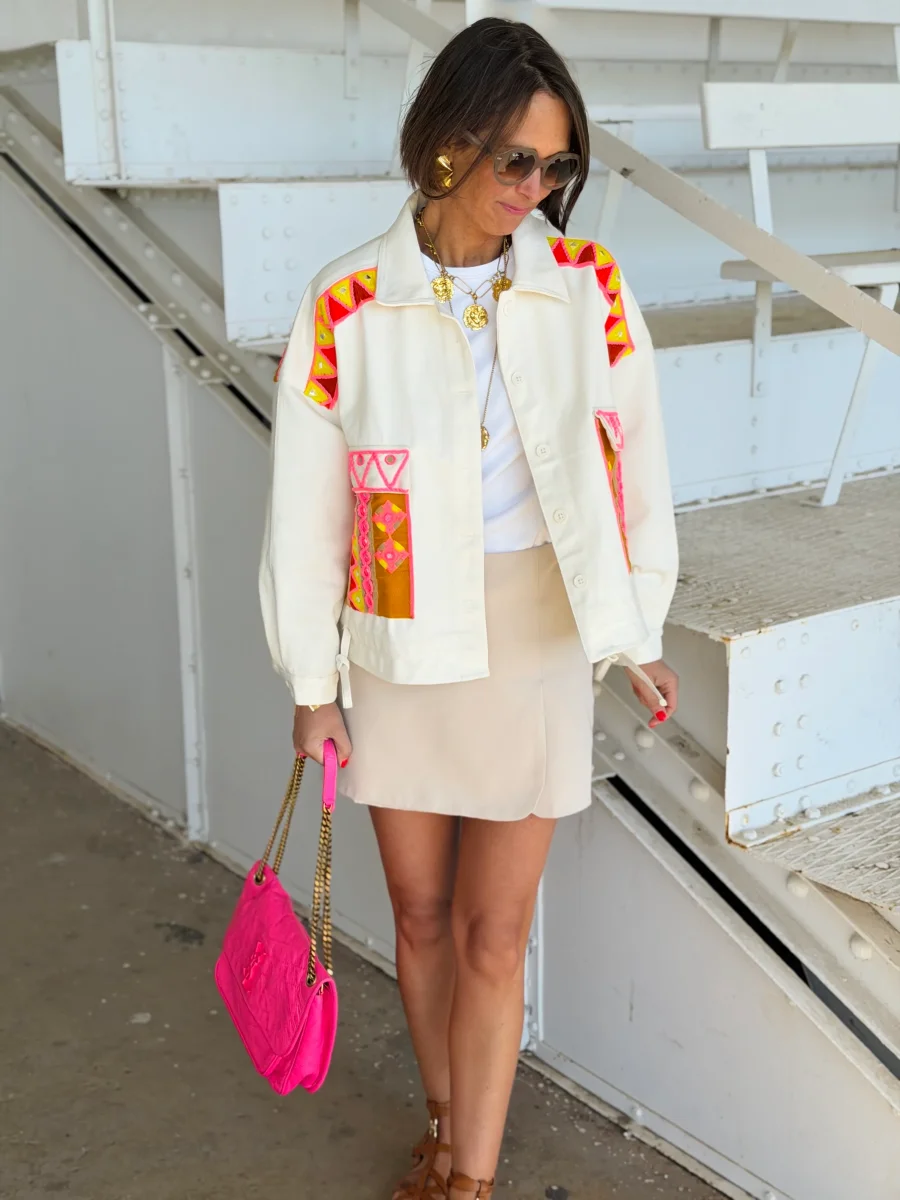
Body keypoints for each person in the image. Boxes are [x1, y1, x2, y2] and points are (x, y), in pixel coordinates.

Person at [259, 17, 679, 1199]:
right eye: (516, 160)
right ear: (448, 141)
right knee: (421, 915)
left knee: (497, 932)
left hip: (538, 633)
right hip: (398, 635)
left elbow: (638, 468)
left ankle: (472, 1181)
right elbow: (306, 512)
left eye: (557, 167)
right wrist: (313, 687)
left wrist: (635, 630)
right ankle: (443, 1121)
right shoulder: (346, 305)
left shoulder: (588, 288)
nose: (535, 189)